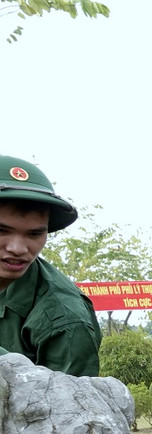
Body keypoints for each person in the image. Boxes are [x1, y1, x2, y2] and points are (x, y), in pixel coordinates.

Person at [0, 155, 102, 375]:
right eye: (2, 231)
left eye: (35, 234)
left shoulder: (65, 320)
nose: (17, 248)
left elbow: (69, 404)